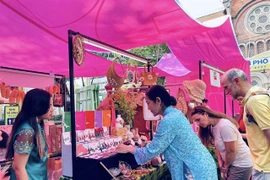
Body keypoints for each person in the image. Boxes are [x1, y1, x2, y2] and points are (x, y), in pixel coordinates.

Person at [116, 85, 217, 180]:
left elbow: (151, 151)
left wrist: (129, 148)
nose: (148, 108)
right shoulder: (176, 114)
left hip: (195, 170)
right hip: (201, 165)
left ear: (158, 101)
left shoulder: (168, 120)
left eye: (148, 103)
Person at [221, 68, 270, 179]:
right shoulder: (257, 95)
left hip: (265, 168)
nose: (226, 92)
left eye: (226, 87)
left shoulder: (254, 101)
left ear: (237, 81)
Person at [191, 106, 253, 180]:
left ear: (206, 114)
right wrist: (220, 161)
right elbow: (217, 145)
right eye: (195, 121)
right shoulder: (212, 127)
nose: (198, 124)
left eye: (198, 120)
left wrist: (225, 167)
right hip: (231, 163)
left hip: (241, 164)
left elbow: (231, 151)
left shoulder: (225, 126)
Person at [6, 89, 53, 180]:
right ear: (39, 106)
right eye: (50, 105)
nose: (52, 109)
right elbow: (18, 167)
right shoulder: (27, 131)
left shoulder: (38, 126)